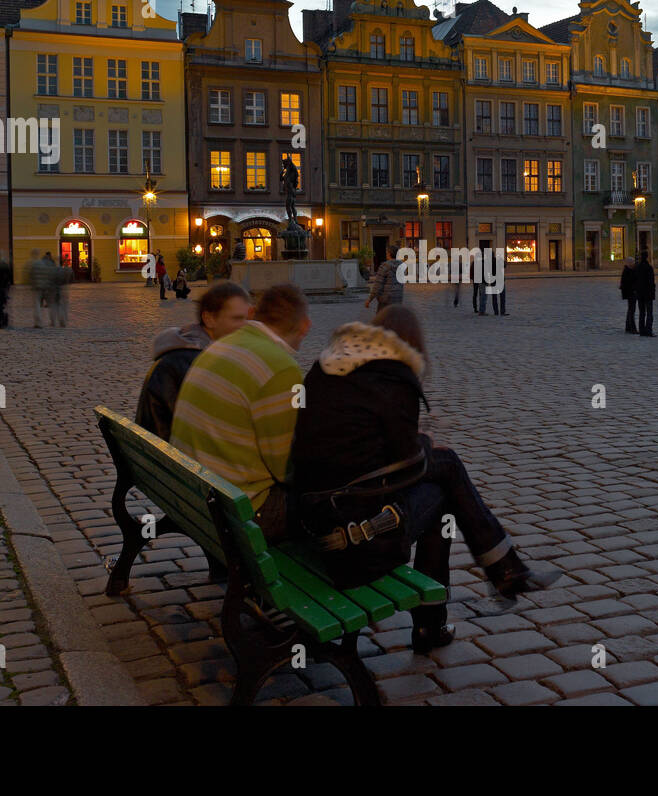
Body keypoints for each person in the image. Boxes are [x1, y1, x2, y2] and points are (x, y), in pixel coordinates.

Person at [290, 305, 555, 653]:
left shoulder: (327, 367)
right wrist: (428, 446)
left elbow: (360, 447)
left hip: (314, 521)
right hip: (352, 543)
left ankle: (501, 575)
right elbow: (406, 462)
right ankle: (481, 588)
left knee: (443, 482)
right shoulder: (393, 377)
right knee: (446, 478)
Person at [170, 284, 309, 544]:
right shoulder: (280, 368)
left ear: (254, 313)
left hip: (196, 499)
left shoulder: (221, 345)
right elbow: (286, 468)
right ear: (305, 326)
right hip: (240, 512)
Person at [136, 281, 251, 442]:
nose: (244, 327)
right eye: (236, 319)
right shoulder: (196, 364)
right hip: (179, 459)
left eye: (246, 319)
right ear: (209, 318)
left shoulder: (186, 353)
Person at [365, 244, 403, 314]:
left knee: (382, 320)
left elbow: (378, 285)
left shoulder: (384, 266)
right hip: (398, 298)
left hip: (386, 300)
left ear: (388, 253)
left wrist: (369, 299)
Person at [633, 250, 655, 336]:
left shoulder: (637, 267)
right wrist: (653, 293)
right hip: (648, 293)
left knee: (642, 312)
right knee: (649, 313)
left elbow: (634, 280)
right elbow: (651, 282)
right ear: (647, 257)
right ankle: (648, 330)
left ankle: (642, 330)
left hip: (640, 293)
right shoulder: (649, 268)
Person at [619, 255, 637, 334]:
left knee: (630, 310)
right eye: (633, 263)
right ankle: (632, 328)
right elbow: (628, 283)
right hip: (631, 293)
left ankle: (628, 327)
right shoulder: (628, 271)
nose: (634, 264)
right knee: (631, 310)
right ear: (630, 263)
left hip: (630, 293)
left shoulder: (628, 270)